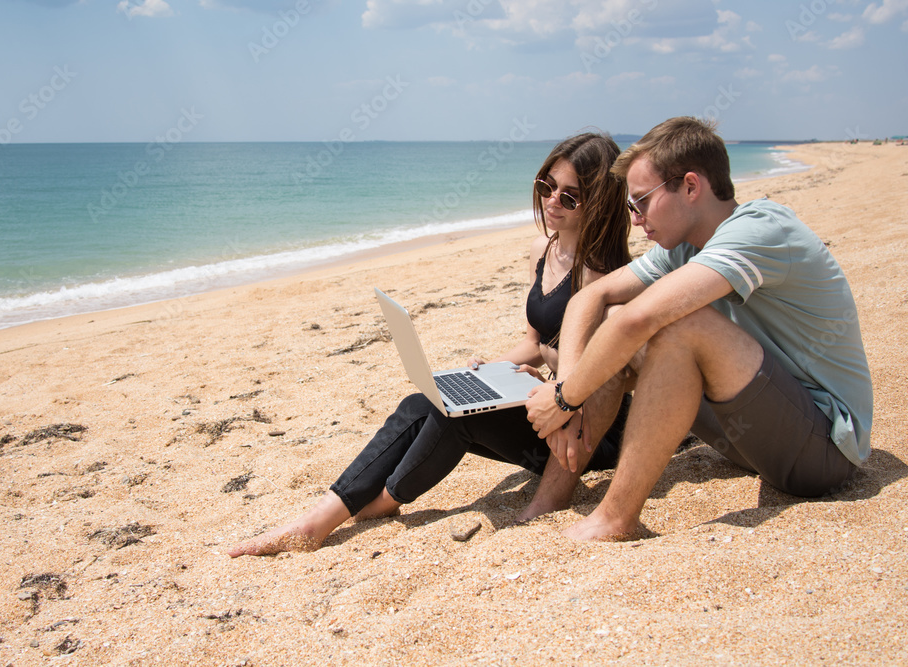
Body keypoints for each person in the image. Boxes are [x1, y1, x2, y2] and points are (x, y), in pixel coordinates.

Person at [229, 132, 634, 557]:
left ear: (600, 203)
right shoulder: (542, 251)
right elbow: (537, 342)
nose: (552, 202)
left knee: (453, 416)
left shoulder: (605, 276)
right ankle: (317, 520)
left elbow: (612, 372)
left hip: (588, 431)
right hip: (546, 395)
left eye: (570, 198)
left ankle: (380, 503)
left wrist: (554, 388)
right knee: (424, 399)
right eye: (546, 187)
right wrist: (491, 370)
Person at [526, 116, 873, 542]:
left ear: (691, 187)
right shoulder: (685, 246)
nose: (634, 219)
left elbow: (642, 319)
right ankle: (548, 500)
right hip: (750, 440)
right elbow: (589, 299)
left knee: (677, 325)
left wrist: (562, 399)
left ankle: (615, 519)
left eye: (641, 202)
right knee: (613, 327)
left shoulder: (760, 230)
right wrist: (566, 389)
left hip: (822, 453)